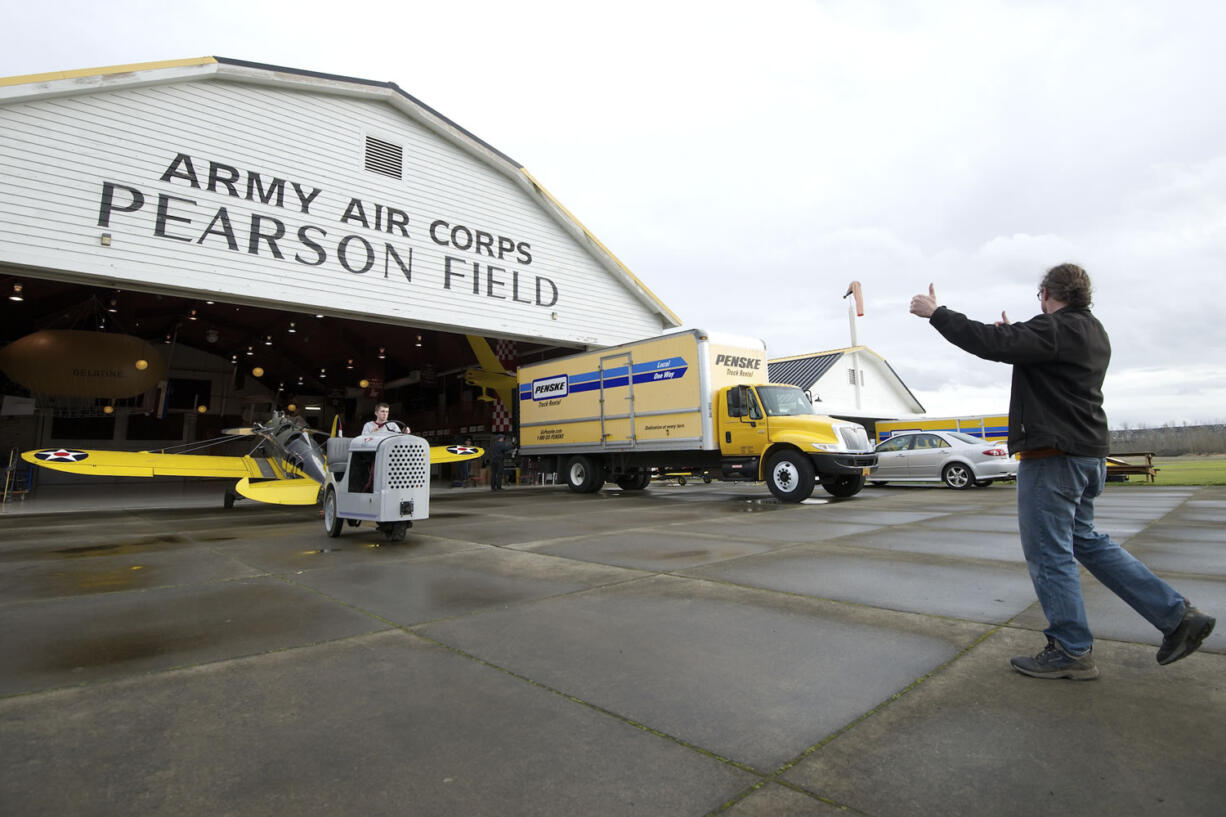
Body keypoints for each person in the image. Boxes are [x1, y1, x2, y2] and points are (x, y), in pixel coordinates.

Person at [909, 263, 1214, 680]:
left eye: (1040, 298)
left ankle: (1071, 649)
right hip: (1087, 456)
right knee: (1085, 541)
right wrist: (1020, 334)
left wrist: (937, 313)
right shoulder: (1092, 330)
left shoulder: (1055, 329)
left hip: (1054, 459)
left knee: (1049, 554)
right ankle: (1179, 618)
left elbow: (992, 342)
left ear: (1049, 294)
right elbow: (1029, 348)